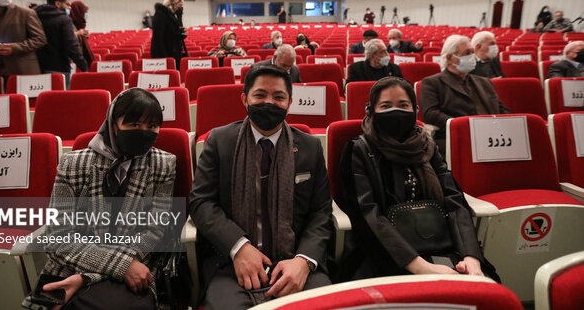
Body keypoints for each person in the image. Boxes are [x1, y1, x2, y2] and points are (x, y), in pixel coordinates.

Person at [189, 65, 332, 309]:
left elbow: (320, 212)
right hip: (230, 262)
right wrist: (239, 247)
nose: (269, 103)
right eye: (260, 95)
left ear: (290, 102)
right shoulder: (220, 141)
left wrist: (304, 261)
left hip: (295, 259)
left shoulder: (309, 147)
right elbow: (201, 202)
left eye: (278, 97)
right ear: (245, 99)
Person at [339, 77, 497, 281]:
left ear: (415, 109)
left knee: (483, 284)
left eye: (403, 105)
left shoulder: (427, 146)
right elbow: (367, 214)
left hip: (440, 243)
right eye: (386, 106)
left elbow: (454, 200)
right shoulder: (359, 150)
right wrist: (420, 266)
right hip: (384, 251)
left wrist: (471, 256)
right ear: (371, 111)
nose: (395, 112)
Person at [40, 88, 176, 310]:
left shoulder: (163, 164)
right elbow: (58, 237)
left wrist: (94, 276)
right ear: (114, 125)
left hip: (137, 267)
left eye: (152, 126)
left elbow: (155, 232)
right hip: (72, 267)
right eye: (134, 125)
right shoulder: (73, 164)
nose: (144, 132)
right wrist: (118, 266)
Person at [419, 35, 510, 157]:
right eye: (467, 53)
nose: (472, 56)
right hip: (460, 137)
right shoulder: (432, 83)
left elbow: (501, 109)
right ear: (450, 58)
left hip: (494, 137)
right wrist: (465, 126)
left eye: (472, 52)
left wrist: (510, 124)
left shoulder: (484, 82)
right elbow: (431, 114)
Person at [35, 0, 89, 89]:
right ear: (58, 3)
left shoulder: (34, 16)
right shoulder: (64, 19)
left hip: (38, 67)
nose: (69, 8)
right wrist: (83, 66)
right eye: (68, 4)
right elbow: (71, 46)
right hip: (58, 67)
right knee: (61, 99)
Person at [151, 0, 186, 70]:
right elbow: (158, 39)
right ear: (173, 4)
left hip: (174, 53)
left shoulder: (173, 15)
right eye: (179, 6)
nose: (180, 9)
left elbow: (176, 34)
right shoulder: (160, 14)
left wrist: (182, 31)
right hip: (164, 54)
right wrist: (165, 59)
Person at [69, 0, 95, 70]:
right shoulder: (68, 23)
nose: (86, 14)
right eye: (84, 12)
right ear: (78, 12)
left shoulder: (79, 25)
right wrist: (78, 33)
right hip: (73, 62)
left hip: (79, 60)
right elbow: (66, 39)